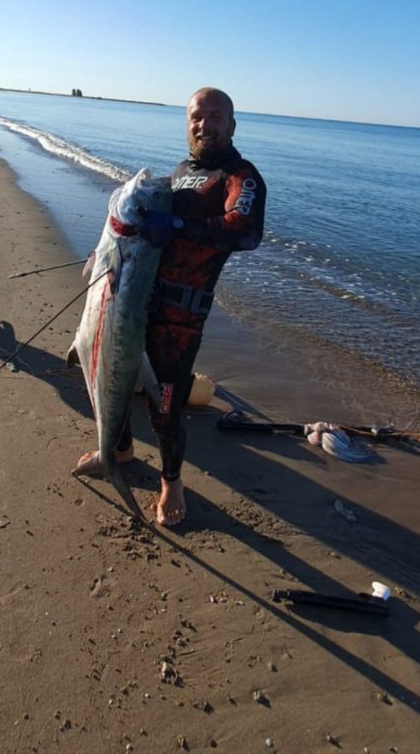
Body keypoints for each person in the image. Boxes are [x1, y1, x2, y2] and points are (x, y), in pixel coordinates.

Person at [76, 87, 266, 526]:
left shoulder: (240, 176)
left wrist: (176, 222)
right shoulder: (180, 173)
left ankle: (172, 482)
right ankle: (120, 449)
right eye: (197, 116)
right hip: (137, 303)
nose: (205, 124)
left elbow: (244, 232)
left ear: (232, 125)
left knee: (164, 407)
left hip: (180, 319)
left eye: (215, 116)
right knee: (116, 378)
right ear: (187, 123)